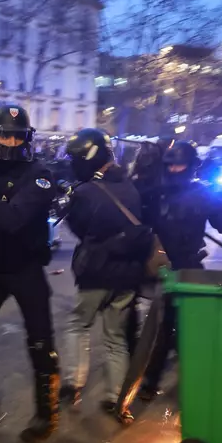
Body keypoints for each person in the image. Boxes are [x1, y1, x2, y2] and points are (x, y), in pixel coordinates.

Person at [0, 105, 59, 443]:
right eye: (4, 135)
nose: (10, 142)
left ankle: (46, 413)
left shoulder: (39, 174)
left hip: (25, 268)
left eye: (17, 137)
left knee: (41, 343)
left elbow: (13, 219)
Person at [139, 140, 222, 400]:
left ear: (191, 166)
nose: (174, 170)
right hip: (162, 270)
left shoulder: (203, 195)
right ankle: (151, 380)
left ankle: (195, 377)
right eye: (170, 166)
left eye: (179, 166)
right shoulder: (155, 193)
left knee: (192, 324)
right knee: (163, 327)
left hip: (190, 268)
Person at [61, 129, 149, 422]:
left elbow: (79, 229)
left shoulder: (85, 192)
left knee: (78, 325)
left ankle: (73, 382)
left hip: (97, 273)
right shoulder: (130, 186)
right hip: (127, 275)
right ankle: (117, 399)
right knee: (115, 338)